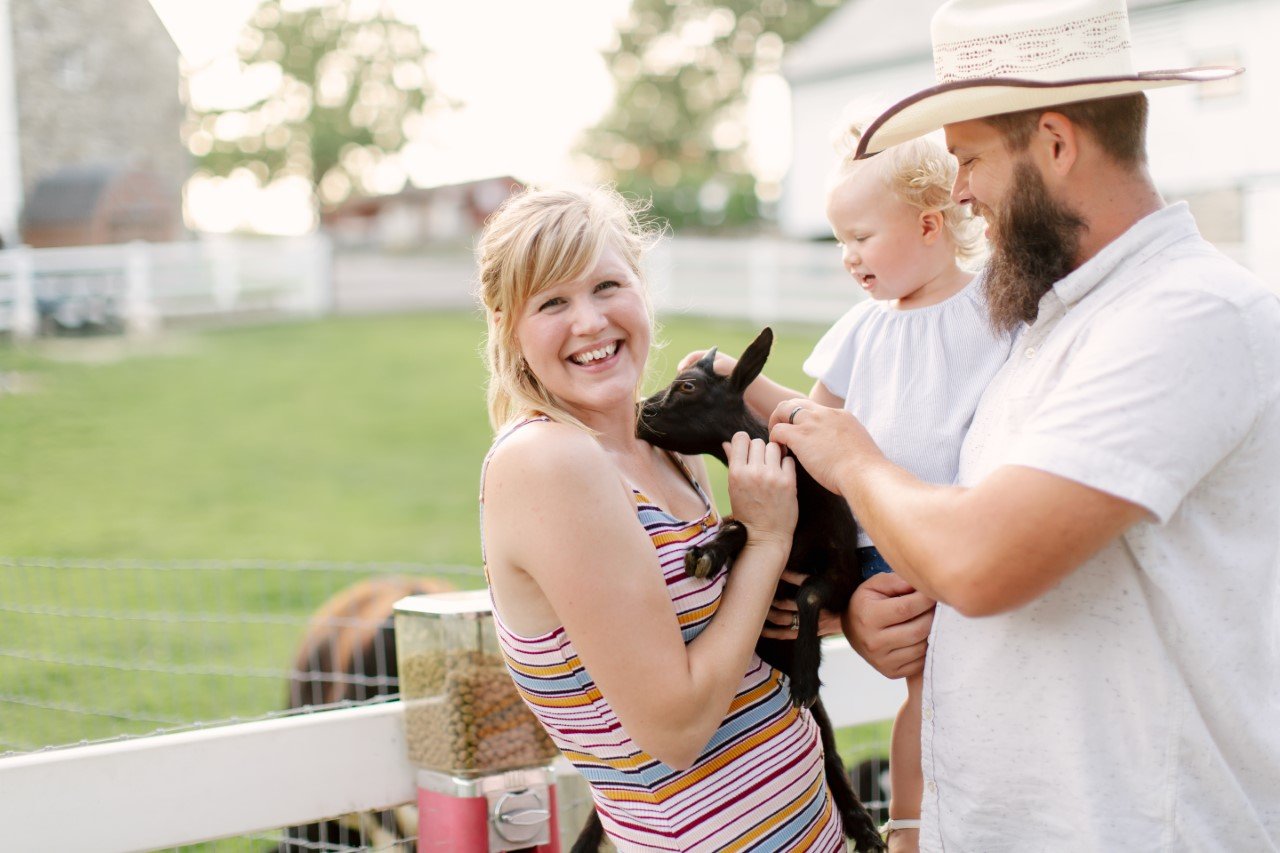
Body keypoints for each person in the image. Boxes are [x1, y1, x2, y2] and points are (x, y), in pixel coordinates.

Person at [768, 0, 1280, 850]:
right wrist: (866, 609)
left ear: (1054, 141)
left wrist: (854, 462)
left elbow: (980, 559)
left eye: (969, 156)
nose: (959, 189)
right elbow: (953, 532)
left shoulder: (1192, 315)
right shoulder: (1047, 325)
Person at [476, 186, 848, 851]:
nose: (589, 321)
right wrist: (764, 539)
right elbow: (676, 729)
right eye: (553, 302)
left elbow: (737, 635)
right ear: (509, 326)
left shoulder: (665, 450)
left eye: (606, 285)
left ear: (642, 289)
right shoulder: (548, 462)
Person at [680, 127, 1012, 850]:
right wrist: (726, 370)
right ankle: (900, 825)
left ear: (930, 226)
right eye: (839, 240)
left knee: (933, 697)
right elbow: (807, 422)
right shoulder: (861, 331)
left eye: (861, 236)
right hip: (857, 552)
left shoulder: (993, 309)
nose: (848, 256)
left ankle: (914, 825)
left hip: (937, 541)